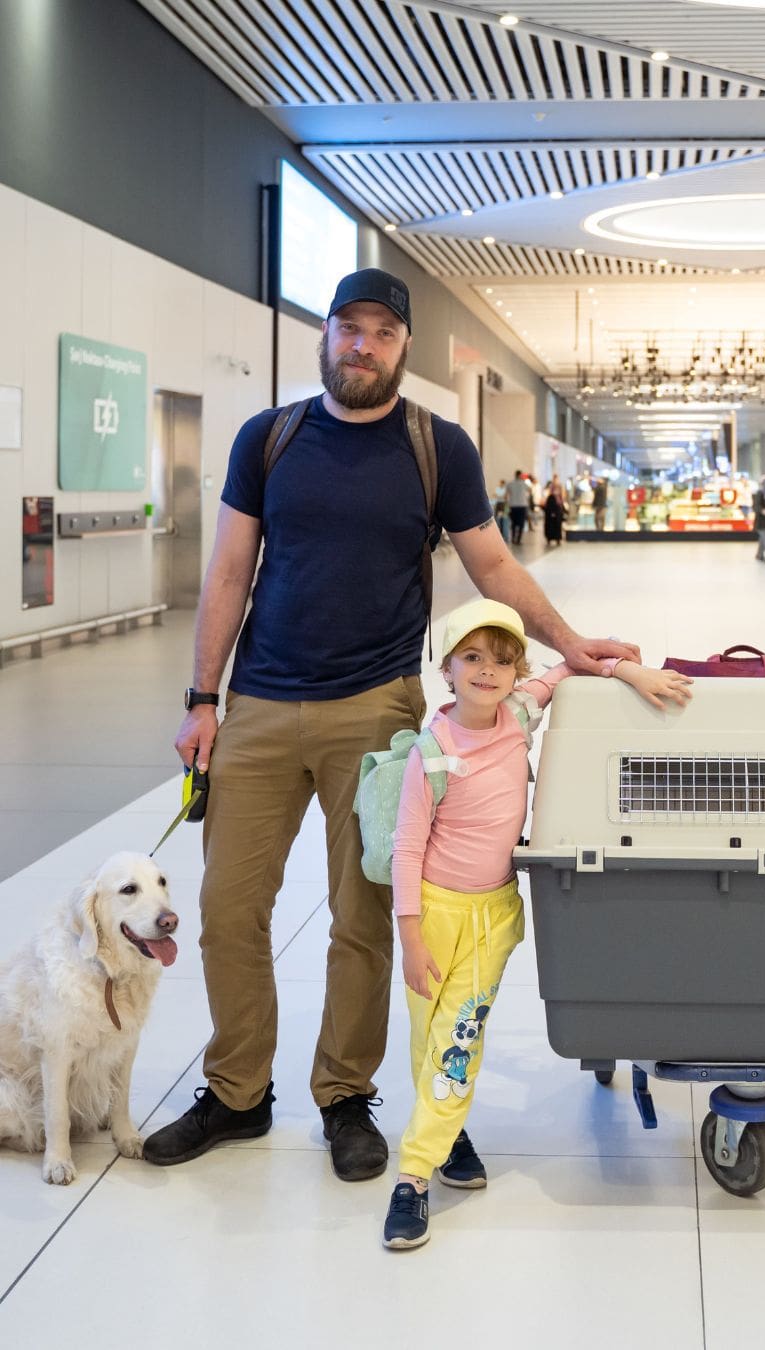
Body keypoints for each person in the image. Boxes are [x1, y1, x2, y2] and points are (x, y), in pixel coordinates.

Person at [142, 267, 641, 1177]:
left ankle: (344, 1094)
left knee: (363, 914)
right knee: (225, 909)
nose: (361, 344)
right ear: (325, 336)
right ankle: (237, 1092)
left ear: (405, 346)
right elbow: (226, 574)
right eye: (347, 328)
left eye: (380, 331)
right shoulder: (271, 437)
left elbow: (493, 567)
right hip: (256, 703)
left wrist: (570, 646)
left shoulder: (435, 447)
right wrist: (202, 699)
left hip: (375, 708)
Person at [382, 598, 693, 1249]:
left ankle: (412, 1177)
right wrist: (409, 935)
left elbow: (578, 664)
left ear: (515, 670)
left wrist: (628, 670)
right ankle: (449, 1133)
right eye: (473, 658)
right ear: (446, 669)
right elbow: (406, 848)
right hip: (433, 916)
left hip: (491, 917)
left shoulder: (521, 713)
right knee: (427, 1044)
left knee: (456, 1044)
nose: (488, 672)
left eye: (502, 661)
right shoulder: (431, 752)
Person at [506, 470, 530, 545]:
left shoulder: (510, 483)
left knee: (513, 523)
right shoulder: (524, 483)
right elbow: (530, 490)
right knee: (521, 524)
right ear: (520, 475)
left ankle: (513, 539)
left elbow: (506, 495)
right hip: (522, 506)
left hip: (513, 506)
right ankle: (518, 540)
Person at [543, 474, 566, 547]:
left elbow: (562, 497)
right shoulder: (552, 487)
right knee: (551, 524)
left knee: (557, 524)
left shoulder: (559, 486)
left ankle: (557, 538)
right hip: (553, 507)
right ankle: (550, 538)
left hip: (557, 508)